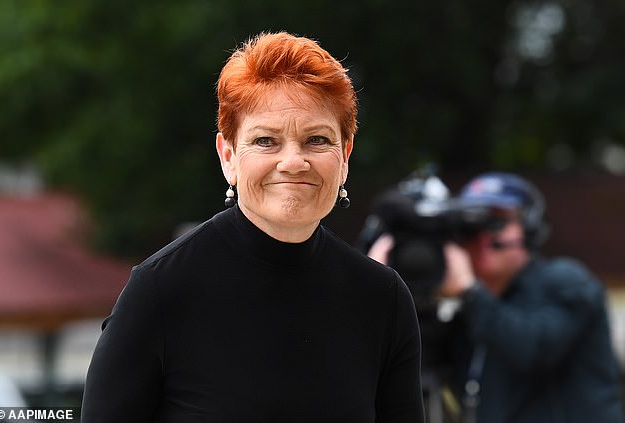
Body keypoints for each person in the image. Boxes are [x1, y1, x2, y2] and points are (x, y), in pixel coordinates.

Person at [80, 31, 425, 422]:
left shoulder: (383, 300)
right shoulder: (160, 291)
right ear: (228, 156)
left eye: (316, 140)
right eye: (265, 141)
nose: (293, 162)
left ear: (345, 155)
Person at [440, 172, 624, 422]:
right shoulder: (470, 312)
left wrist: (470, 291)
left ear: (530, 228)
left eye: (496, 222)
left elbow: (533, 348)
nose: (483, 238)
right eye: (471, 227)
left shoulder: (566, 282)